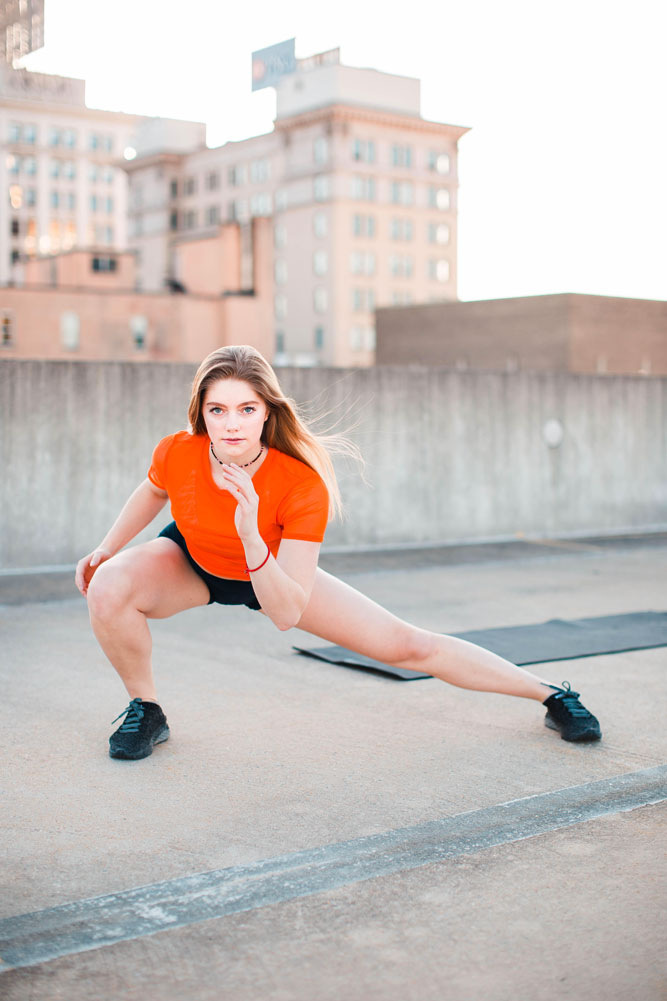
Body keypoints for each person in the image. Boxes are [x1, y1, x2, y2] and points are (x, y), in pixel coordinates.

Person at [75, 345, 602, 760]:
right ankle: (147, 709)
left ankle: (552, 695)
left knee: (409, 647)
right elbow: (154, 490)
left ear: (266, 413)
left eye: (245, 409)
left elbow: (286, 613)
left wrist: (251, 530)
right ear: (202, 413)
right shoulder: (177, 451)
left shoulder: (301, 485)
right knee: (109, 587)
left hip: (275, 575)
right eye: (218, 409)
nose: (231, 423)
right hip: (191, 562)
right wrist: (106, 548)